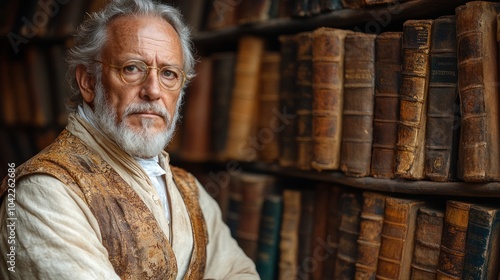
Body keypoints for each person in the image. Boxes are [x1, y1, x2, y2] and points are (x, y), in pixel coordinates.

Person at [0, 0, 259, 279]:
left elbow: (240, 273)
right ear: (88, 82)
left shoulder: (189, 190)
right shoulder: (42, 190)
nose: (153, 91)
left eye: (169, 74)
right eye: (133, 68)